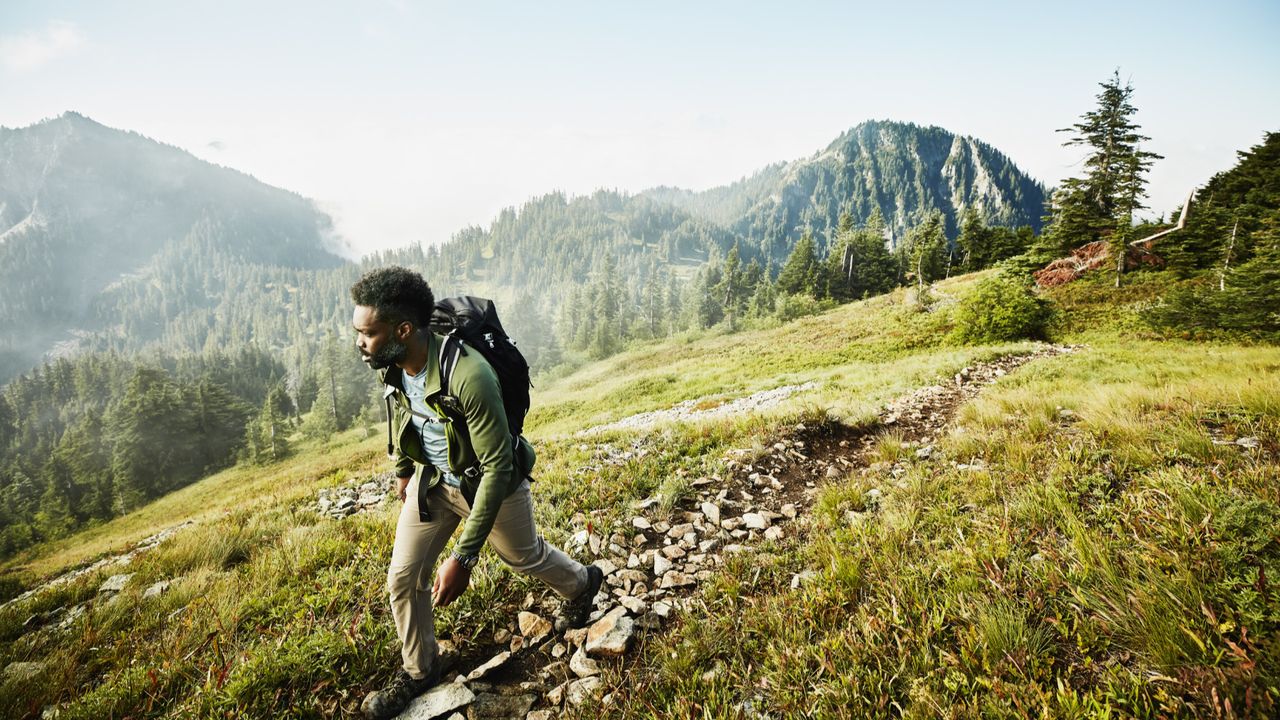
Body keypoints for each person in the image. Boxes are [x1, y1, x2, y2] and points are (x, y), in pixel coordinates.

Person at [350, 266, 603, 719]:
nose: (360, 342)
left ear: (403, 330)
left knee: (522, 556)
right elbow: (405, 412)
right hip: (433, 484)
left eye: (368, 333)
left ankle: (584, 584)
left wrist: (464, 559)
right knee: (403, 579)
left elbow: (497, 465)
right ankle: (419, 670)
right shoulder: (390, 362)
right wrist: (405, 469)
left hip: (488, 483)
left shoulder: (469, 375)